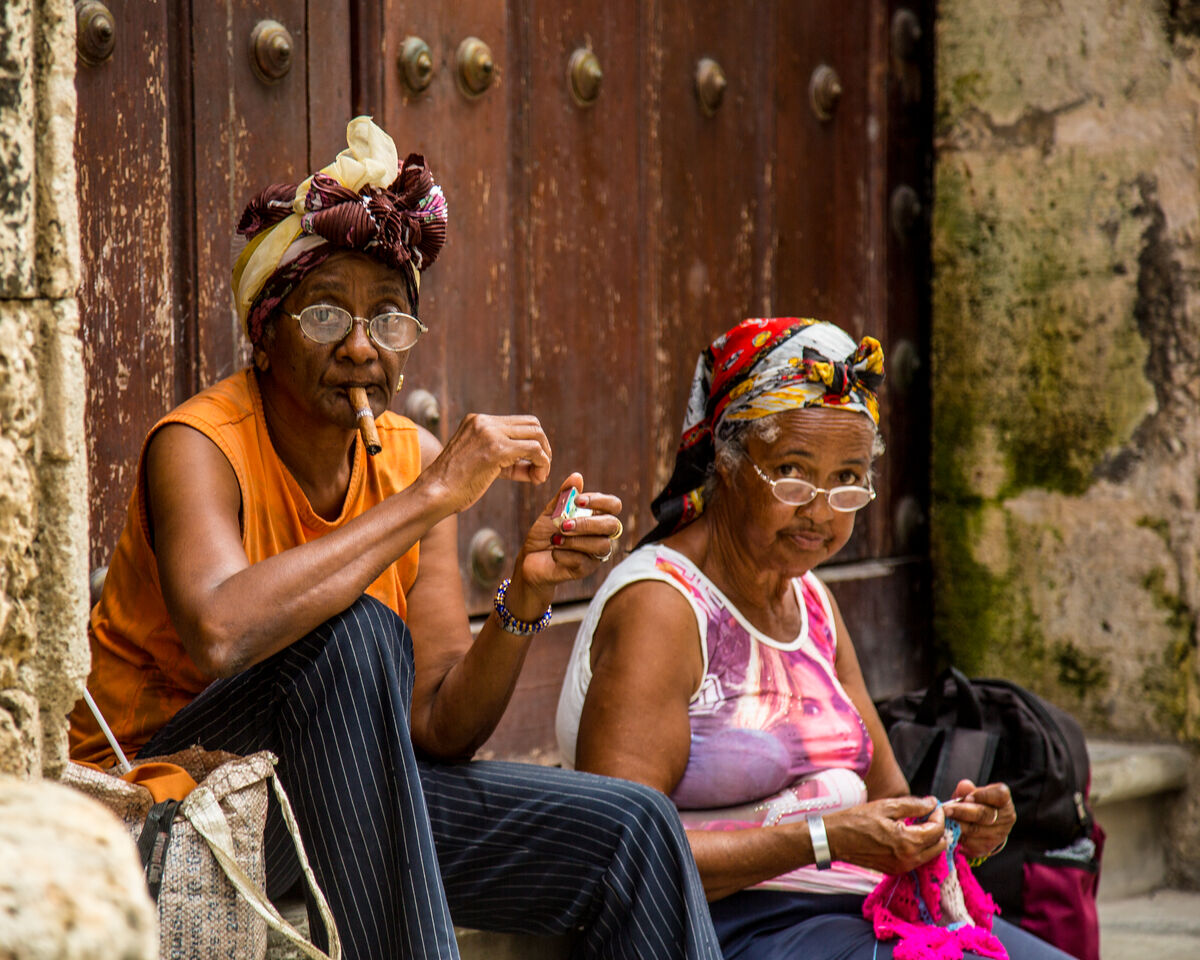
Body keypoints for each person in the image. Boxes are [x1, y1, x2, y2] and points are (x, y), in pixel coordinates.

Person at [69, 117, 722, 960]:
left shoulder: (407, 460)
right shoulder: (199, 444)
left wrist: (525, 593)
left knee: (633, 827)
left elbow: (438, 729)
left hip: (336, 796)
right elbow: (223, 631)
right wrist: (433, 498)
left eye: (388, 321)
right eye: (326, 316)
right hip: (169, 805)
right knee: (353, 633)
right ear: (266, 331)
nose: (360, 348)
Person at [556, 317, 1072, 959]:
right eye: (793, 474)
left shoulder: (811, 602)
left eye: (848, 481)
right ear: (727, 458)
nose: (821, 511)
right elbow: (622, 849)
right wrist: (825, 838)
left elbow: (887, 796)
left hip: (848, 907)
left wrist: (952, 825)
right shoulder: (662, 609)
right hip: (726, 928)